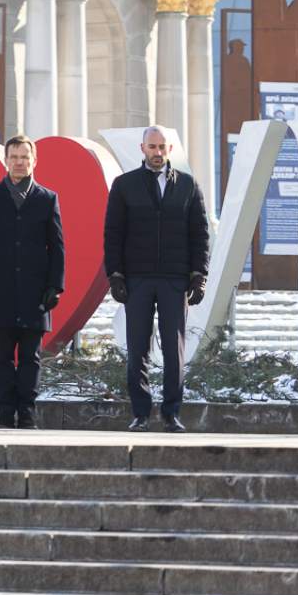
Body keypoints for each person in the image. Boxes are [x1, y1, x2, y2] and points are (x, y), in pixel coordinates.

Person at [105, 125, 210, 432]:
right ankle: (140, 413)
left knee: (173, 350)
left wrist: (198, 275)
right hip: (137, 279)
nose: (157, 152)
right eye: (152, 147)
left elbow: (200, 235)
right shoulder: (124, 186)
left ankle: (171, 413)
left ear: (170, 150)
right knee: (137, 348)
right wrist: (115, 274)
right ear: (143, 149)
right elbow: (113, 233)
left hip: (174, 280)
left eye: (162, 147)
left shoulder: (188, 186)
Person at [0, 135, 65, 428]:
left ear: (34, 161)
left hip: (35, 292)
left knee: (30, 357)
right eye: (14, 157)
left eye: (25, 157)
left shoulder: (47, 199)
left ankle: (27, 412)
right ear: (6, 160)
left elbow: (57, 246)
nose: (19, 162)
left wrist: (54, 287)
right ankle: (4, 412)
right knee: (1, 358)